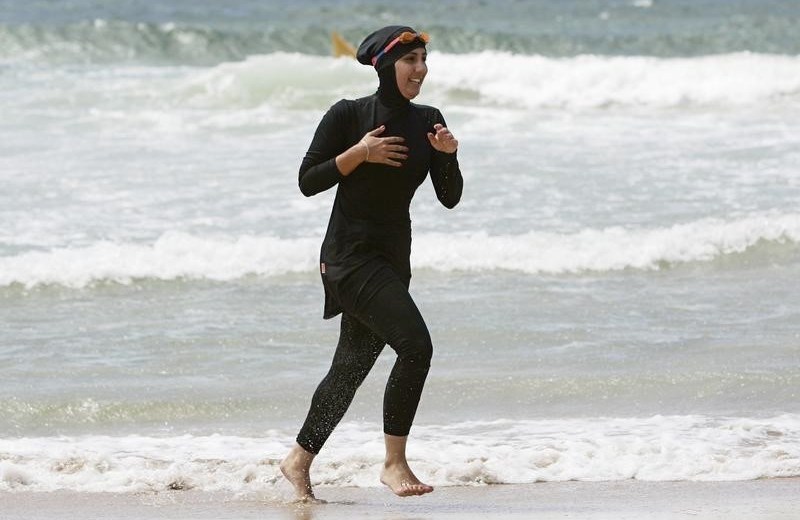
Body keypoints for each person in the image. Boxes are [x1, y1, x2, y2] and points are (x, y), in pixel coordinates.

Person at [280, 25, 463, 501]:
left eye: (424, 60)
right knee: (416, 346)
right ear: (384, 65)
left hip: (392, 259)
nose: (420, 70)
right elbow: (307, 180)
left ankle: (298, 461)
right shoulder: (349, 114)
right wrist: (360, 153)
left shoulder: (429, 119)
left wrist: (449, 156)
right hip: (348, 257)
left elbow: (449, 197)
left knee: (349, 370)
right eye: (410, 61)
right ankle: (394, 463)